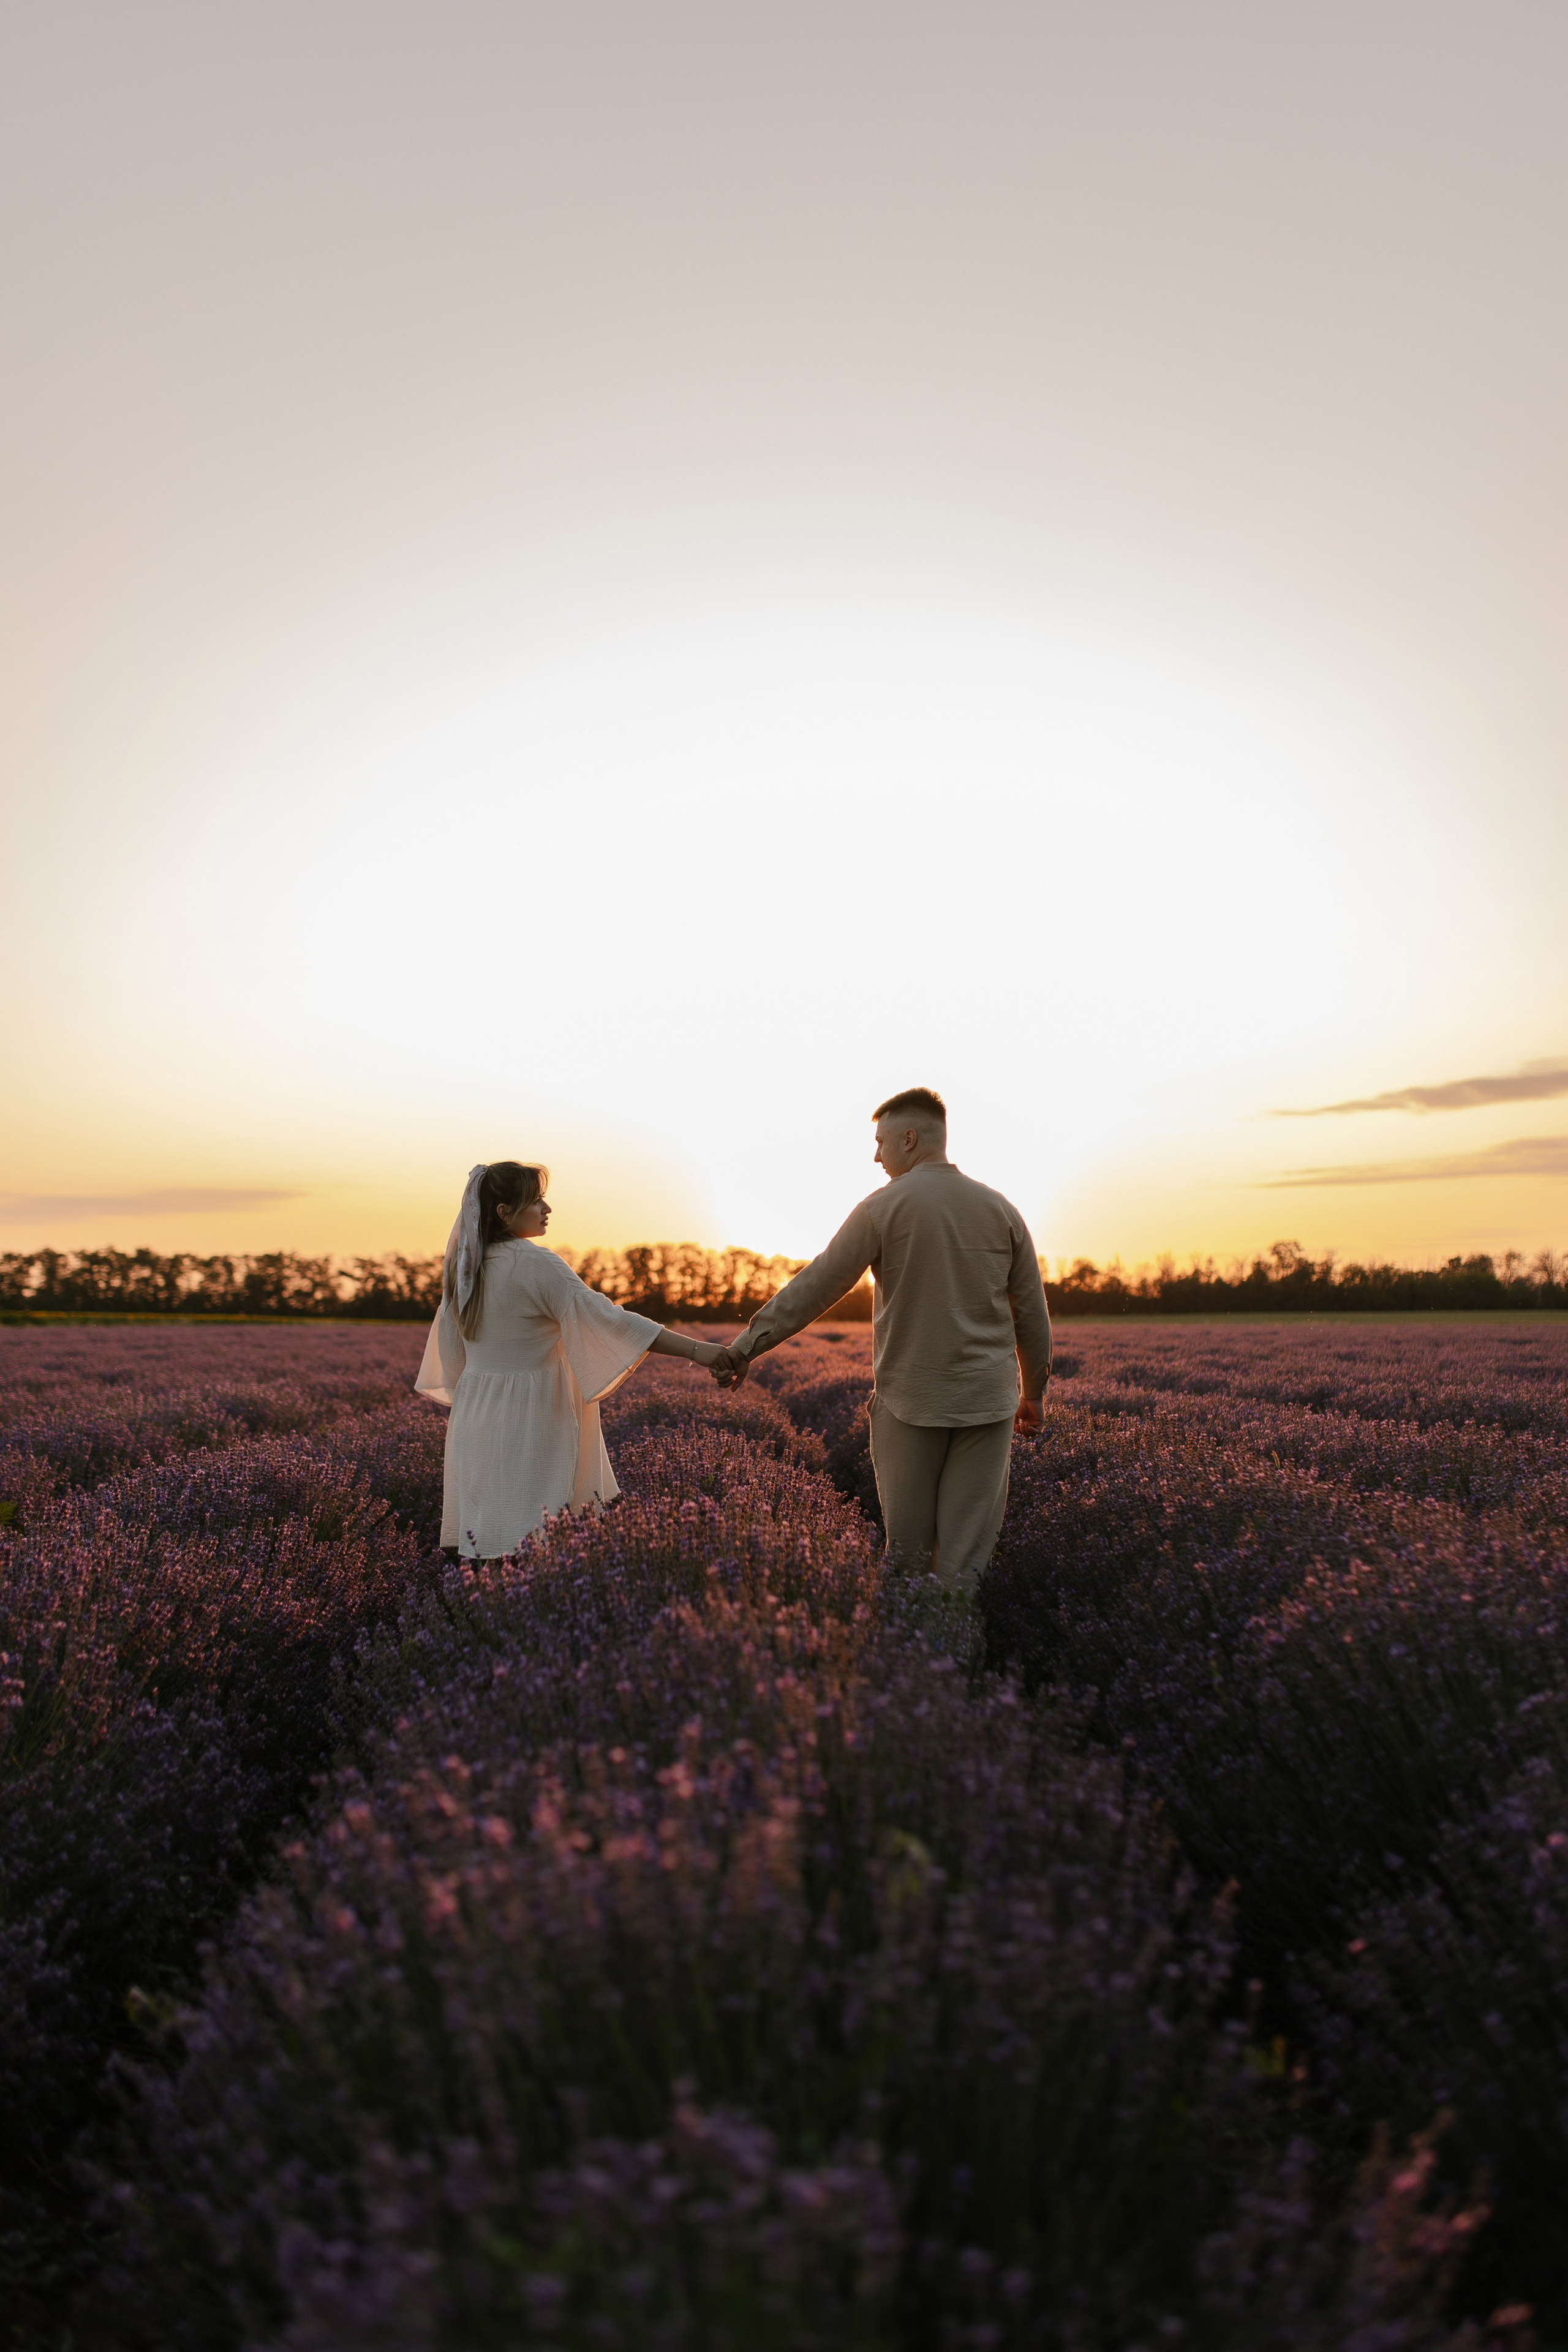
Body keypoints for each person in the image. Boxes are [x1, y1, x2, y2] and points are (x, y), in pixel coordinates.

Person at [712, 1089, 1052, 1597]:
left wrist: (745, 1347)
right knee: (965, 1566)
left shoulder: (881, 1208)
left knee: (909, 1558)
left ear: (909, 1139)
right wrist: (1034, 1394)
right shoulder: (1002, 1209)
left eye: (881, 1142)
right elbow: (1032, 1314)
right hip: (988, 1404)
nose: (877, 1156)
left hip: (909, 1400)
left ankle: (911, 1659)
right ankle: (957, 1660)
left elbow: (817, 1287)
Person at [416, 1161, 726, 1558]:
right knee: (536, 1542)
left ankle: (490, 1616)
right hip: (530, 1416)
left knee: (489, 1542)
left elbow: (452, 1355)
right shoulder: (534, 1263)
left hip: (474, 1416)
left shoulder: (464, 1270)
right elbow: (610, 1321)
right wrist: (699, 1351)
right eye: (536, 1201)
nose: (547, 1209)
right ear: (504, 1213)